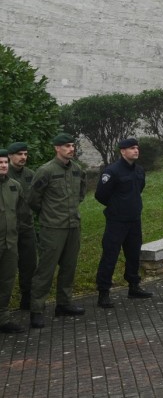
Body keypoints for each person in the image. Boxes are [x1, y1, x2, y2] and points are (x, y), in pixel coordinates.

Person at [28, 133, 87, 328]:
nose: (71, 149)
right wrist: (49, 214)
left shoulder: (77, 170)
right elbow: (33, 199)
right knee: (45, 270)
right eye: (67, 146)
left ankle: (64, 303)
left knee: (69, 267)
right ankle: (36, 309)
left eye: (72, 145)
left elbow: (80, 194)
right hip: (53, 227)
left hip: (72, 225)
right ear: (57, 148)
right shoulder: (46, 171)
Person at [94, 137, 153, 309]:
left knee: (133, 254)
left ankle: (133, 287)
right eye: (132, 148)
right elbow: (101, 195)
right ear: (122, 151)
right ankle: (103, 292)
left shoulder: (139, 170)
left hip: (134, 219)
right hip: (116, 221)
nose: (136, 150)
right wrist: (116, 206)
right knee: (110, 255)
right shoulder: (112, 171)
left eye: (137, 148)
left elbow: (139, 189)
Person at [6, 142, 37, 310]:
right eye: (19, 154)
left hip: (27, 227)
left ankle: (27, 298)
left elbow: (37, 197)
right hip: (7, 230)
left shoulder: (30, 174)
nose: (23, 157)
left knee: (29, 264)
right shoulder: (4, 174)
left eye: (25, 154)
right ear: (10, 156)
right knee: (6, 268)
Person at [0, 149, 25, 333]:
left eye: (5, 163)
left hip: (10, 243)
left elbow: (21, 212)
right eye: (0, 163)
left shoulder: (14, 186)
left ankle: (3, 318)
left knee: (7, 280)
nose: (3, 166)